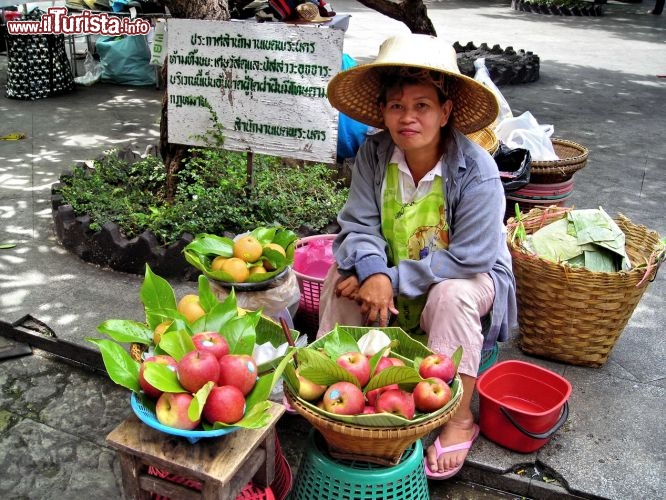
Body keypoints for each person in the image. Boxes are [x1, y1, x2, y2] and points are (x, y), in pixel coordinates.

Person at [317, 34, 518, 480]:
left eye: (422, 106)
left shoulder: (476, 170)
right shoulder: (374, 153)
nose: (408, 118)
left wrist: (390, 277)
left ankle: (460, 417)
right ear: (384, 112)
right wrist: (371, 271)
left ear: (446, 112)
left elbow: (473, 256)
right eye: (396, 106)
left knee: (451, 296)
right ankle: (338, 389)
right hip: (392, 269)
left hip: (468, 278)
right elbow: (359, 225)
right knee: (343, 276)